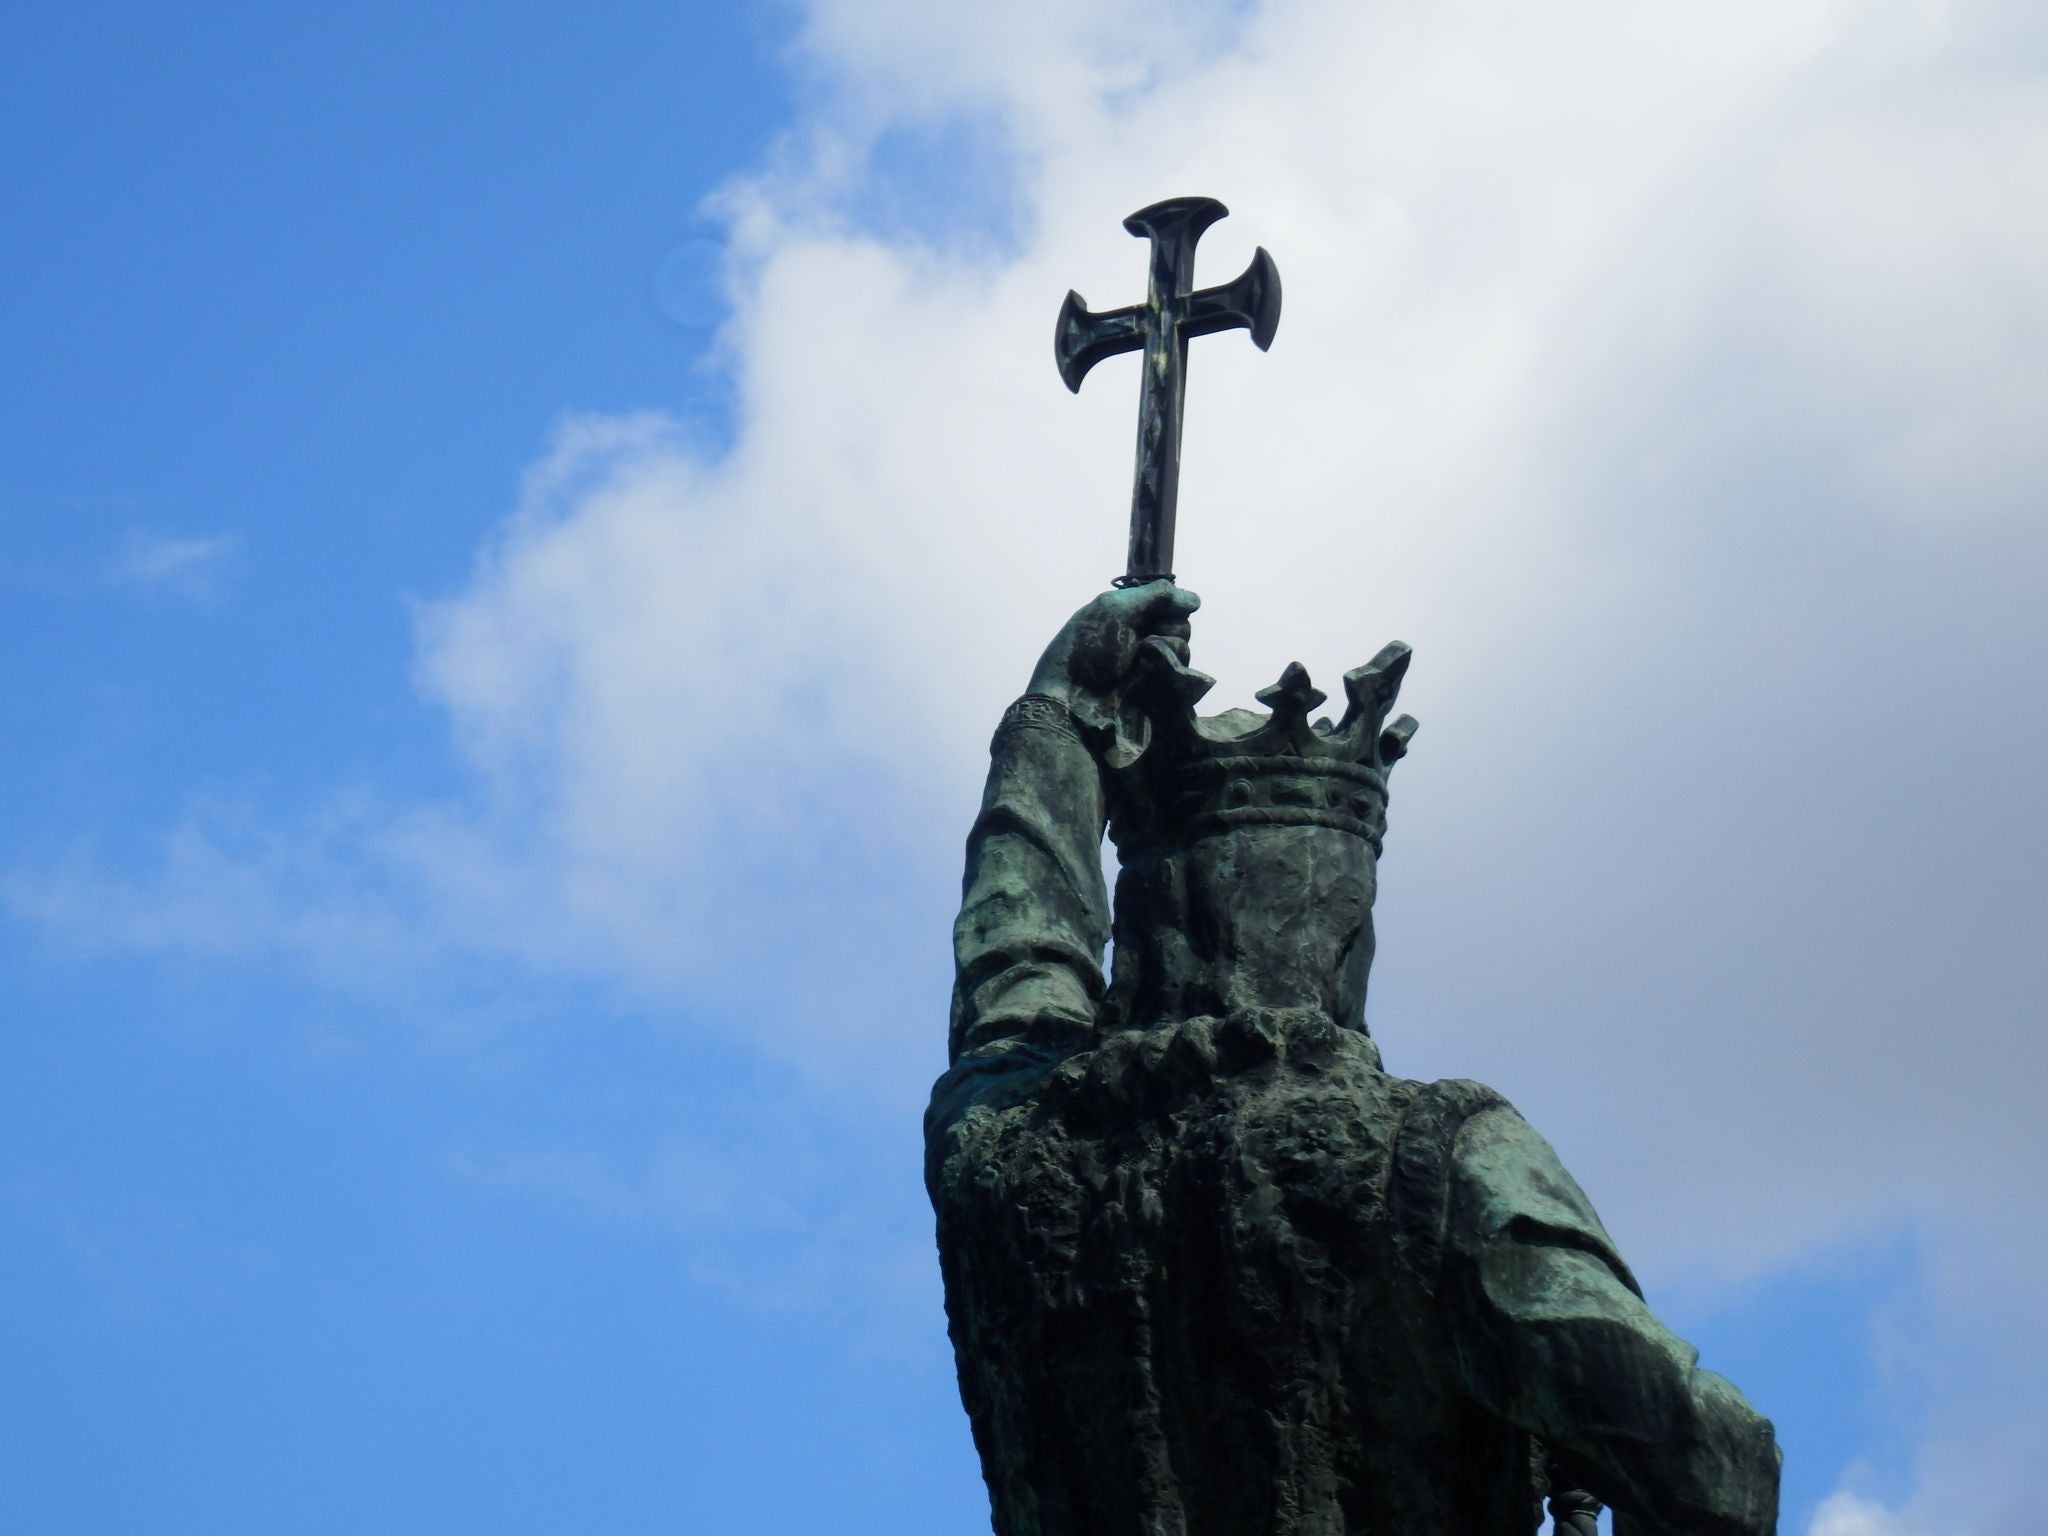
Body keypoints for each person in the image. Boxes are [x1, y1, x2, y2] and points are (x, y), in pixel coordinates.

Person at [926, 583, 1781, 1536]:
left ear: (1151, 925)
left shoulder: (1002, 1155)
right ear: (1339, 930)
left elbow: (1015, 965)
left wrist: (1053, 719)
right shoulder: (1433, 1160)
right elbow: (1716, 1456)